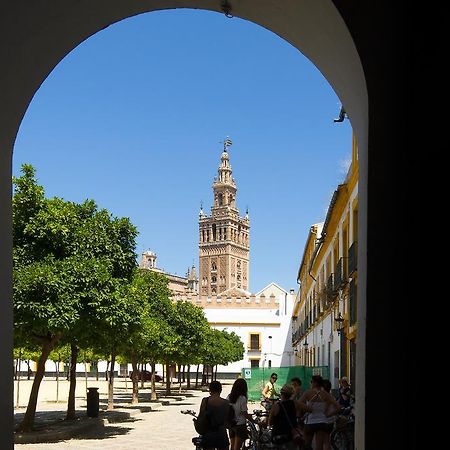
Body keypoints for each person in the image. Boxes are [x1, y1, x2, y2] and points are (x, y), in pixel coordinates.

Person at [299, 375, 341, 450]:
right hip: (322, 422)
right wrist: (328, 415)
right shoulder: (325, 394)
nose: (310, 383)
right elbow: (338, 407)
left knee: (306, 444)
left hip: (310, 422)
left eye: (311, 382)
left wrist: (307, 408)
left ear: (315, 383)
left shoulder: (308, 393)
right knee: (319, 446)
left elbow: (298, 404)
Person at [198, 380, 230, 450]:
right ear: (220, 390)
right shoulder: (226, 403)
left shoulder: (205, 401)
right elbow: (228, 420)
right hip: (221, 433)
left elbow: (201, 416)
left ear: (210, 389)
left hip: (208, 433)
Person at [268, 384, 301, 450]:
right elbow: (309, 409)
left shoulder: (276, 406)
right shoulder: (295, 404)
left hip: (277, 436)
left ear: (281, 393)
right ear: (291, 394)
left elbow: (270, 422)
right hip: (290, 436)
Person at [227, 378, 253, 450]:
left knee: (232, 446)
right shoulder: (242, 398)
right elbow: (245, 413)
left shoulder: (229, 396)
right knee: (237, 447)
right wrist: (253, 420)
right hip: (240, 425)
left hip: (231, 424)